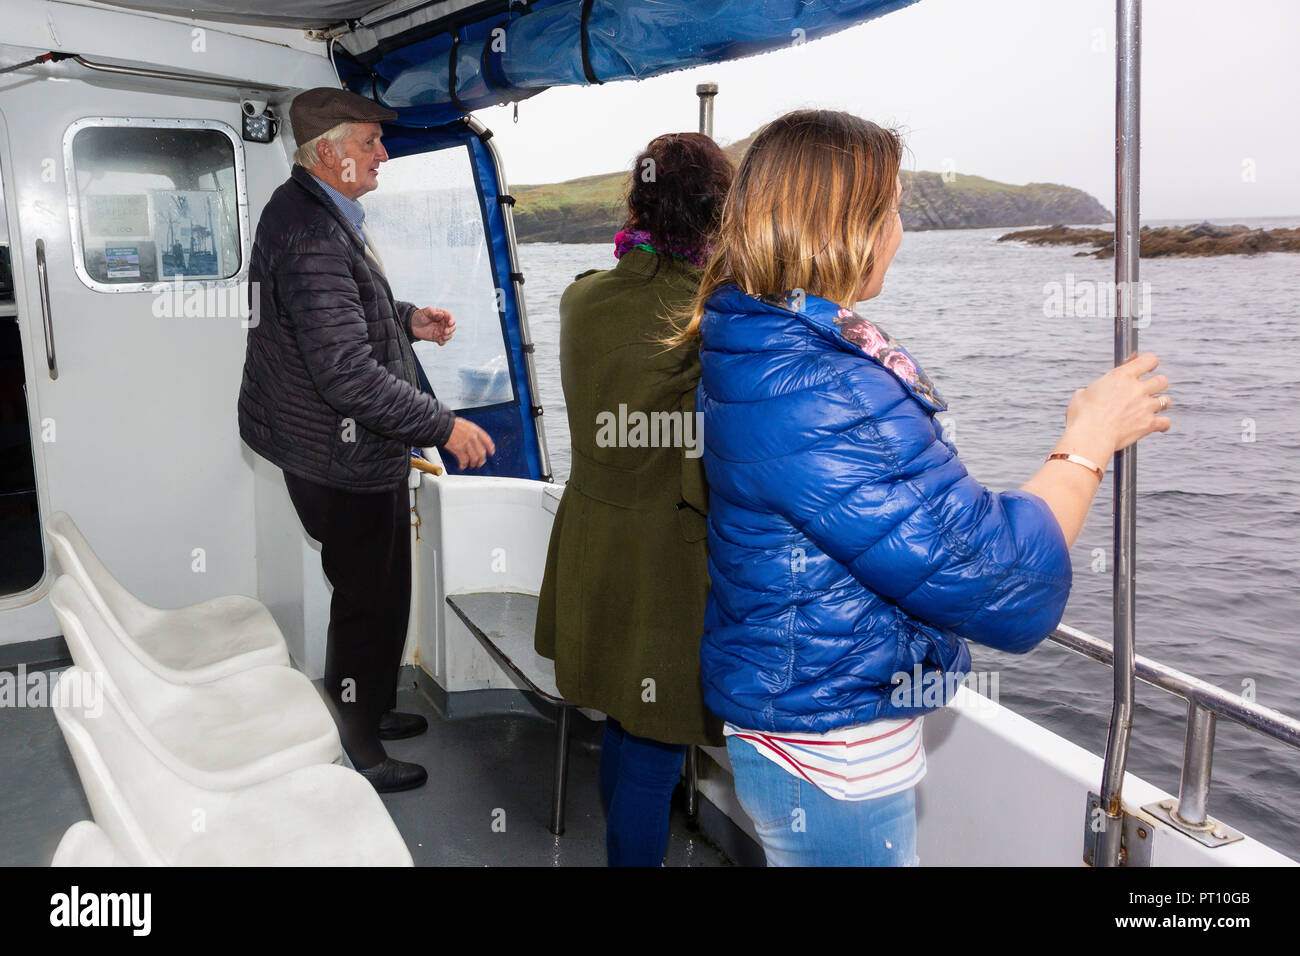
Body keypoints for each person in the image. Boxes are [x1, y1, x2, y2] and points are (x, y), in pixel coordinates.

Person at [668, 109, 1172, 866]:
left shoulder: (756, 341)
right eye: (892, 208)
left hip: (795, 726)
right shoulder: (824, 388)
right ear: (847, 225)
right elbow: (996, 575)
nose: (900, 231)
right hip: (833, 755)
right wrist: (1088, 438)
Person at [238, 87, 494, 793]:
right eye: (370, 142)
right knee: (365, 597)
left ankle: (372, 707)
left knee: (382, 588)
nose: (383, 154)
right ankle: (358, 742)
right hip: (334, 452)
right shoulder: (312, 232)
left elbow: (341, 314)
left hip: (337, 445)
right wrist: (445, 424)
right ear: (328, 152)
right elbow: (346, 376)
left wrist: (408, 319)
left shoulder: (317, 210)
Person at [534, 132, 735, 866]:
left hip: (593, 542)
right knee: (653, 752)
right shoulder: (707, 318)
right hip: (664, 562)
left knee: (624, 718)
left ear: (640, 202)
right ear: (720, 214)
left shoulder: (582, 298)